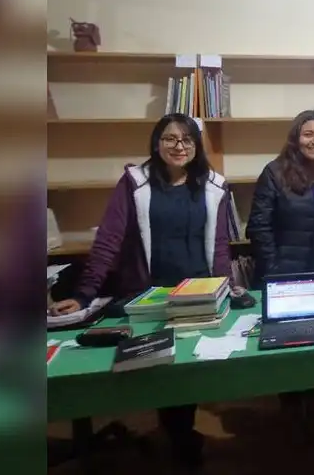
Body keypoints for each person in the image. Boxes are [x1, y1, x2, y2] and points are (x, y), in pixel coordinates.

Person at [48, 113, 232, 471]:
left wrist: (227, 285)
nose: (179, 147)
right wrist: (85, 294)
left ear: (197, 146)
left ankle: (182, 435)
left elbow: (221, 245)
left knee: (187, 370)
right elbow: (109, 240)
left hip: (197, 293)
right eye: (170, 139)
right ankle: (178, 437)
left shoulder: (213, 185)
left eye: (187, 140)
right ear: (156, 143)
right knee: (157, 370)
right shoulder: (135, 182)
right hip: (149, 295)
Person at [246, 109, 314, 438]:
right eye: (308, 134)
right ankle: (291, 417)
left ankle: (313, 411)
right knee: (287, 352)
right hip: (282, 278)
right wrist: (274, 271)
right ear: (296, 138)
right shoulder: (275, 173)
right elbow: (258, 226)